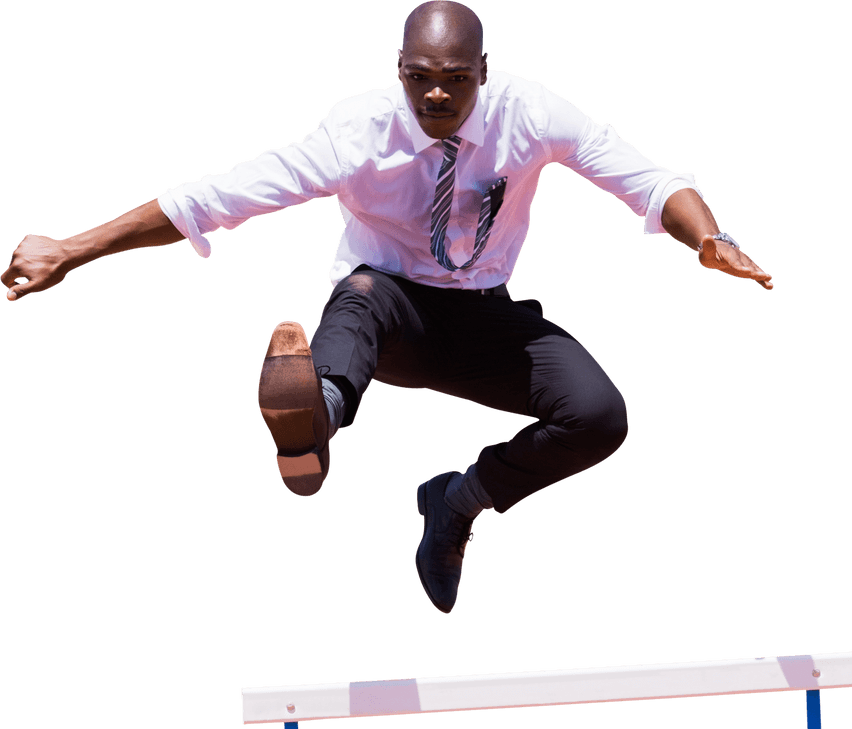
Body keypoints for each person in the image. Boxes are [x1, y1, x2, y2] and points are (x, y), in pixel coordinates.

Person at [2, 1, 773, 615]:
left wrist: (707, 236)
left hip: (484, 313)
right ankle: (316, 416)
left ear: (484, 72)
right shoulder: (356, 133)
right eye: (420, 78)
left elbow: (645, 180)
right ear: (398, 70)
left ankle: (456, 502)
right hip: (389, 315)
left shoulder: (532, 114)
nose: (437, 95)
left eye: (456, 79)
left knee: (600, 417)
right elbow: (216, 199)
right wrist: (74, 247)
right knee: (362, 294)